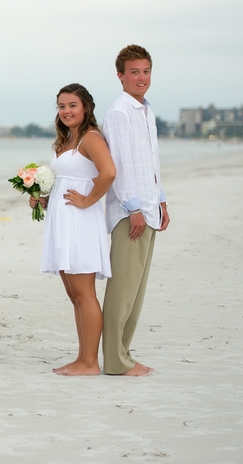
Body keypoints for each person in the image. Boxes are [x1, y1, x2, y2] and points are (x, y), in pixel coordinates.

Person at [30, 84, 115, 376]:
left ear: (86, 107)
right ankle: (83, 358)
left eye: (72, 105)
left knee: (84, 293)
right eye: (61, 106)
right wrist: (42, 198)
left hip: (80, 223)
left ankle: (90, 363)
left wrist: (89, 200)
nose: (66, 111)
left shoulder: (91, 138)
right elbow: (65, 180)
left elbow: (109, 173)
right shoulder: (68, 140)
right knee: (74, 295)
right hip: (63, 222)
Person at [102, 44, 170, 376]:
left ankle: (124, 354)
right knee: (123, 288)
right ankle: (115, 360)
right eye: (134, 72)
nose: (141, 78)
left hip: (148, 208)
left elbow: (150, 162)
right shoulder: (119, 112)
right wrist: (134, 208)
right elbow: (120, 165)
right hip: (131, 213)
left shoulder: (146, 110)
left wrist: (161, 200)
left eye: (145, 71)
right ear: (120, 76)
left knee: (137, 290)